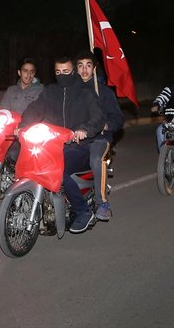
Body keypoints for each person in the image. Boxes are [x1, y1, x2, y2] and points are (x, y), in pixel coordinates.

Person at [21, 56, 106, 233]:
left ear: (73, 71)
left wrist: (84, 130)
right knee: (34, 164)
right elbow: (35, 108)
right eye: (58, 72)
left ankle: (83, 212)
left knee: (58, 170)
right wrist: (23, 125)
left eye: (66, 72)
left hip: (80, 145)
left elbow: (98, 117)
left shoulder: (85, 92)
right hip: (53, 144)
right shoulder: (50, 91)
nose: (62, 75)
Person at [75, 50, 124, 222]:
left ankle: (102, 202)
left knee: (96, 159)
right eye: (80, 66)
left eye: (88, 65)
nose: (84, 70)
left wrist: (106, 125)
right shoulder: (70, 91)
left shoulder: (103, 92)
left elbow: (118, 118)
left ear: (94, 68)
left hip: (99, 139)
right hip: (76, 137)